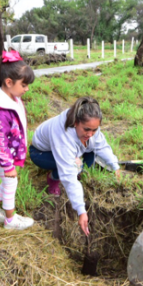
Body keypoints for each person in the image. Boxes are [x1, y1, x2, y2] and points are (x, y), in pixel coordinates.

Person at [29, 97, 121, 236]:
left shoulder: (89, 129)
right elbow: (68, 175)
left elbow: (101, 145)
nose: (90, 134)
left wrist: (115, 166)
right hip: (41, 153)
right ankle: (53, 177)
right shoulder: (62, 135)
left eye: (95, 130)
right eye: (87, 129)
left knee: (91, 155)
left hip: (70, 149)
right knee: (72, 168)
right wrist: (81, 210)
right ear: (76, 122)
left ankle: (79, 169)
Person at [0, 50, 36, 230]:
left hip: (5, 151)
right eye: (24, 85)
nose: (27, 89)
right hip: (0, 153)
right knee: (11, 181)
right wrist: (8, 165)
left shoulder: (12, 98)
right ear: (9, 82)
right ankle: (10, 220)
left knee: (7, 181)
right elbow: (0, 141)